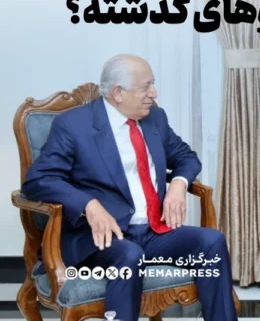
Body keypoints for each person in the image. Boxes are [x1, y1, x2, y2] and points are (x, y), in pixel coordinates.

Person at [22, 54, 237, 321]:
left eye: (153, 84)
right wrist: (88, 204)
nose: (154, 93)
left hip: (153, 232)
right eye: (146, 86)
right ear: (118, 93)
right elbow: (38, 179)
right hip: (102, 238)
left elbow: (186, 157)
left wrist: (178, 184)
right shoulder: (75, 125)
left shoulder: (155, 118)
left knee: (212, 242)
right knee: (130, 255)